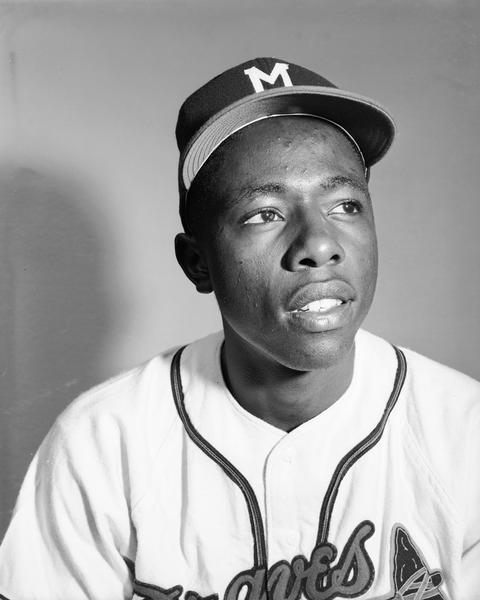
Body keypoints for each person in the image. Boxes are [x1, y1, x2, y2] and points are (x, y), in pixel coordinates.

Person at [0, 57, 478, 600]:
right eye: (264, 213)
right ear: (196, 262)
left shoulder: (464, 434)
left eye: (345, 204)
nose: (319, 244)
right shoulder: (102, 442)